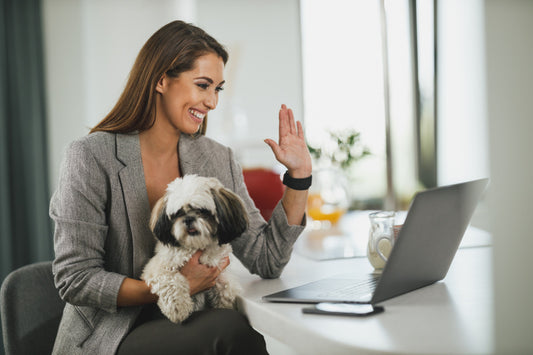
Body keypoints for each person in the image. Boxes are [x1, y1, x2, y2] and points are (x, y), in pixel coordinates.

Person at [49, 20, 312, 355]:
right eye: (203, 85)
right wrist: (169, 286)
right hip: (115, 332)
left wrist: (299, 177)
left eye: (217, 89)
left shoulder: (217, 158)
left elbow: (267, 259)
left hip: (193, 318)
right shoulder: (90, 157)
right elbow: (75, 278)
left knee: (232, 328)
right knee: (230, 332)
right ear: (161, 80)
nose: (212, 102)